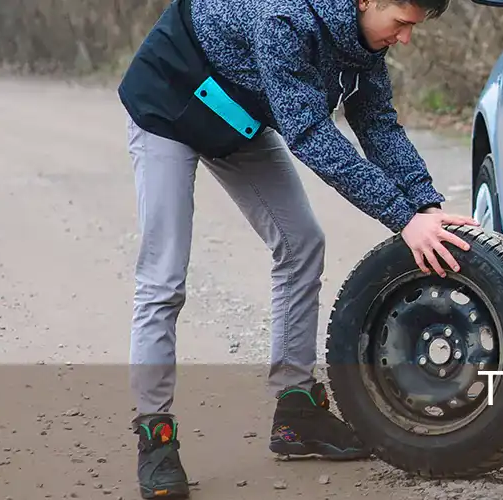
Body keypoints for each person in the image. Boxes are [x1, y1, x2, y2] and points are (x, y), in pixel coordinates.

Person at [116, 0, 475, 497]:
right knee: (164, 276)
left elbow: (378, 124)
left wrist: (426, 206)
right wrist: (402, 219)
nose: (406, 39)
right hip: (167, 104)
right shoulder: (283, 21)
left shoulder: (363, 42)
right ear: (367, 0)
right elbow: (309, 133)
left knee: (302, 243)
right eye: (402, 23)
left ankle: (297, 412)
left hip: (237, 118)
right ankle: (154, 435)